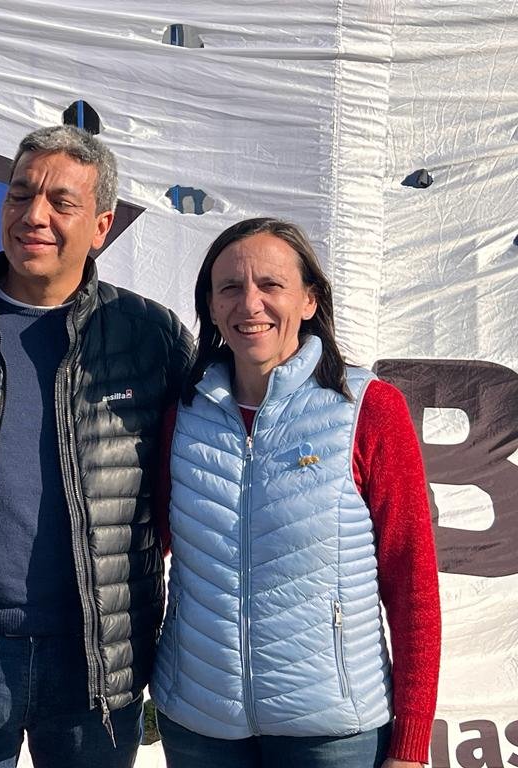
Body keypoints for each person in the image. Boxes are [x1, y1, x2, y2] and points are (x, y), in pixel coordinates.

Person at [0, 124, 194, 768]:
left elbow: (203, 464)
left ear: (101, 226)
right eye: (20, 194)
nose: (34, 216)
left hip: (94, 656)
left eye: (60, 202)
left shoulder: (148, 336)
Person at [150, 217, 441, 767]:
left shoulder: (369, 408)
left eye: (271, 285)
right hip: (199, 724)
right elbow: (145, 551)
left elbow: (412, 579)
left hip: (332, 734)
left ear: (309, 300)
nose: (249, 304)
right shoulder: (184, 414)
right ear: (210, 305)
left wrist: (411, 742)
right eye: (230, 287)